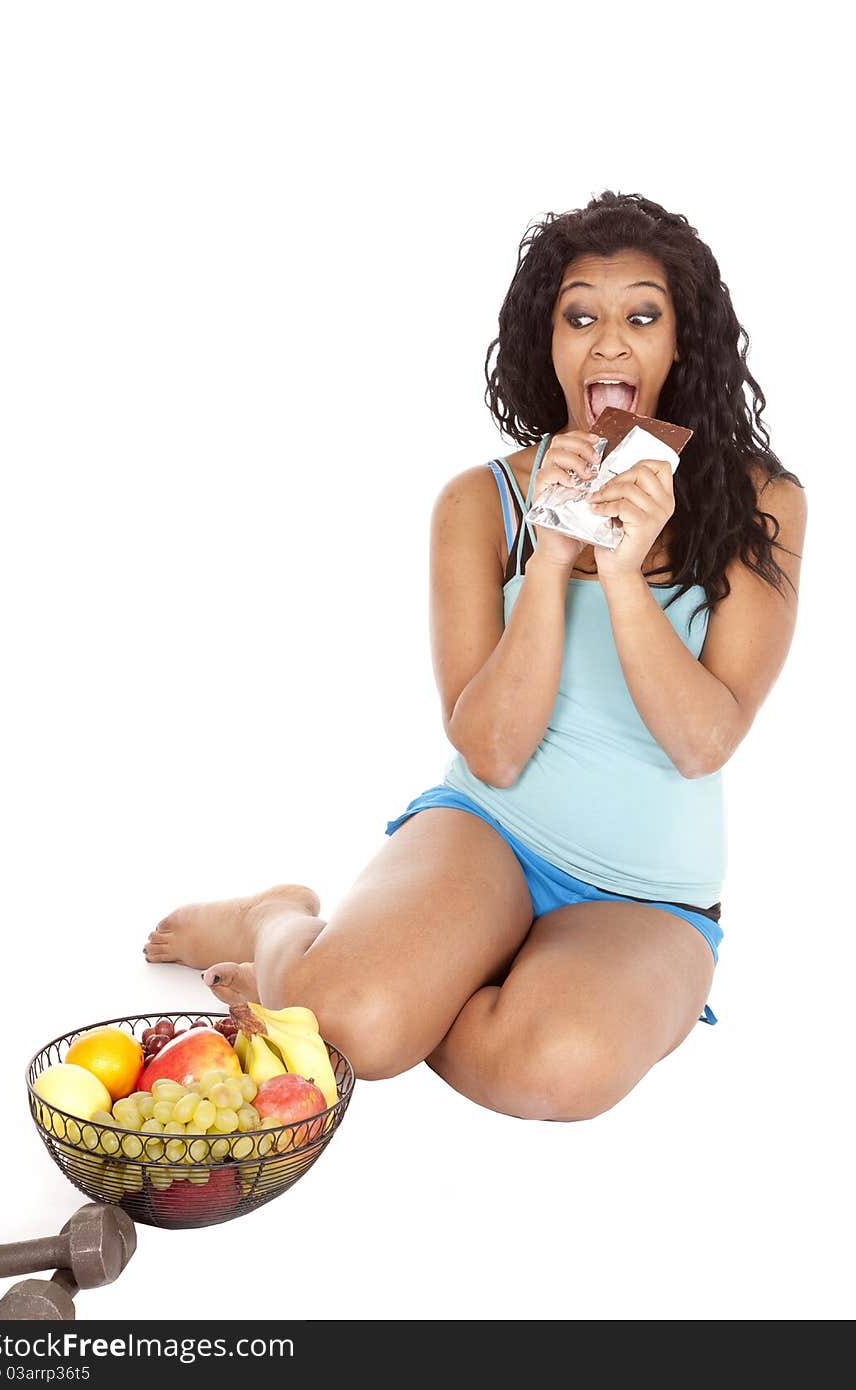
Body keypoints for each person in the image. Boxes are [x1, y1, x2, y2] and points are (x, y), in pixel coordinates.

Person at [143, 190, 807, 1122]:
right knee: (358, 1026)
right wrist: (550, 559)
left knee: (553, 1072)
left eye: (642, 317)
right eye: (581, 316)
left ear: (681, 344)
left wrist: (622, 576)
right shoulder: (477, 503)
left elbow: (704, 742)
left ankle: (403, 981)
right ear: (549, 342)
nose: (609, 345)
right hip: (487, 832)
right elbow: (492, 751)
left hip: (647, 894)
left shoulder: (762, 501)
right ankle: (279, 919)